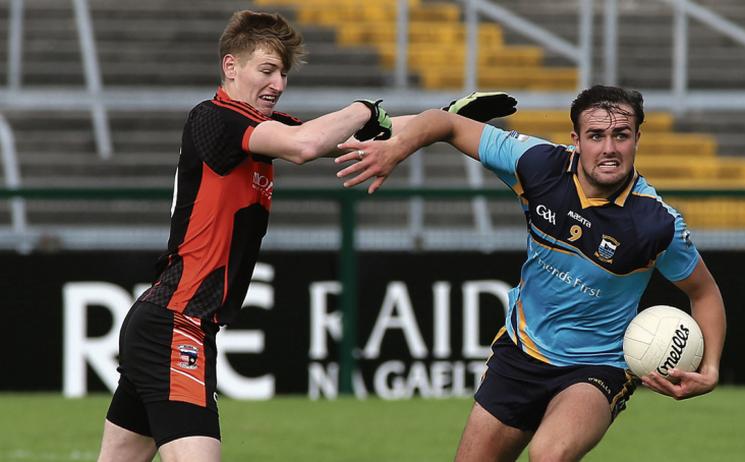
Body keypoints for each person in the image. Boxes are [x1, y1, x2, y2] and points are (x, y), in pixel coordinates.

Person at [96, 10, 516, 462]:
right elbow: (308, 145)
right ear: (230, 67)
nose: (278, 83)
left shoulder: (257, 130)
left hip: (169, 321)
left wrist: (443, 121)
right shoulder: (215, 118)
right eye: (267, 70)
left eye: (283, 73)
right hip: (177, 323)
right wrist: (363, 106)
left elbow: (363, 133)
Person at [336, 85, 726, 462]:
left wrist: (709, 370)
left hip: (598, 364)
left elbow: (704, 293)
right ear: (576, 139)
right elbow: (446, 123)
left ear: (637, 137)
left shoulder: (657, 224)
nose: (609, 148)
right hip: (522, 351)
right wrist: (394, 149)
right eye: (596, 135)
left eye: (621, 135)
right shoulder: (537, 164)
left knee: (549, 455)